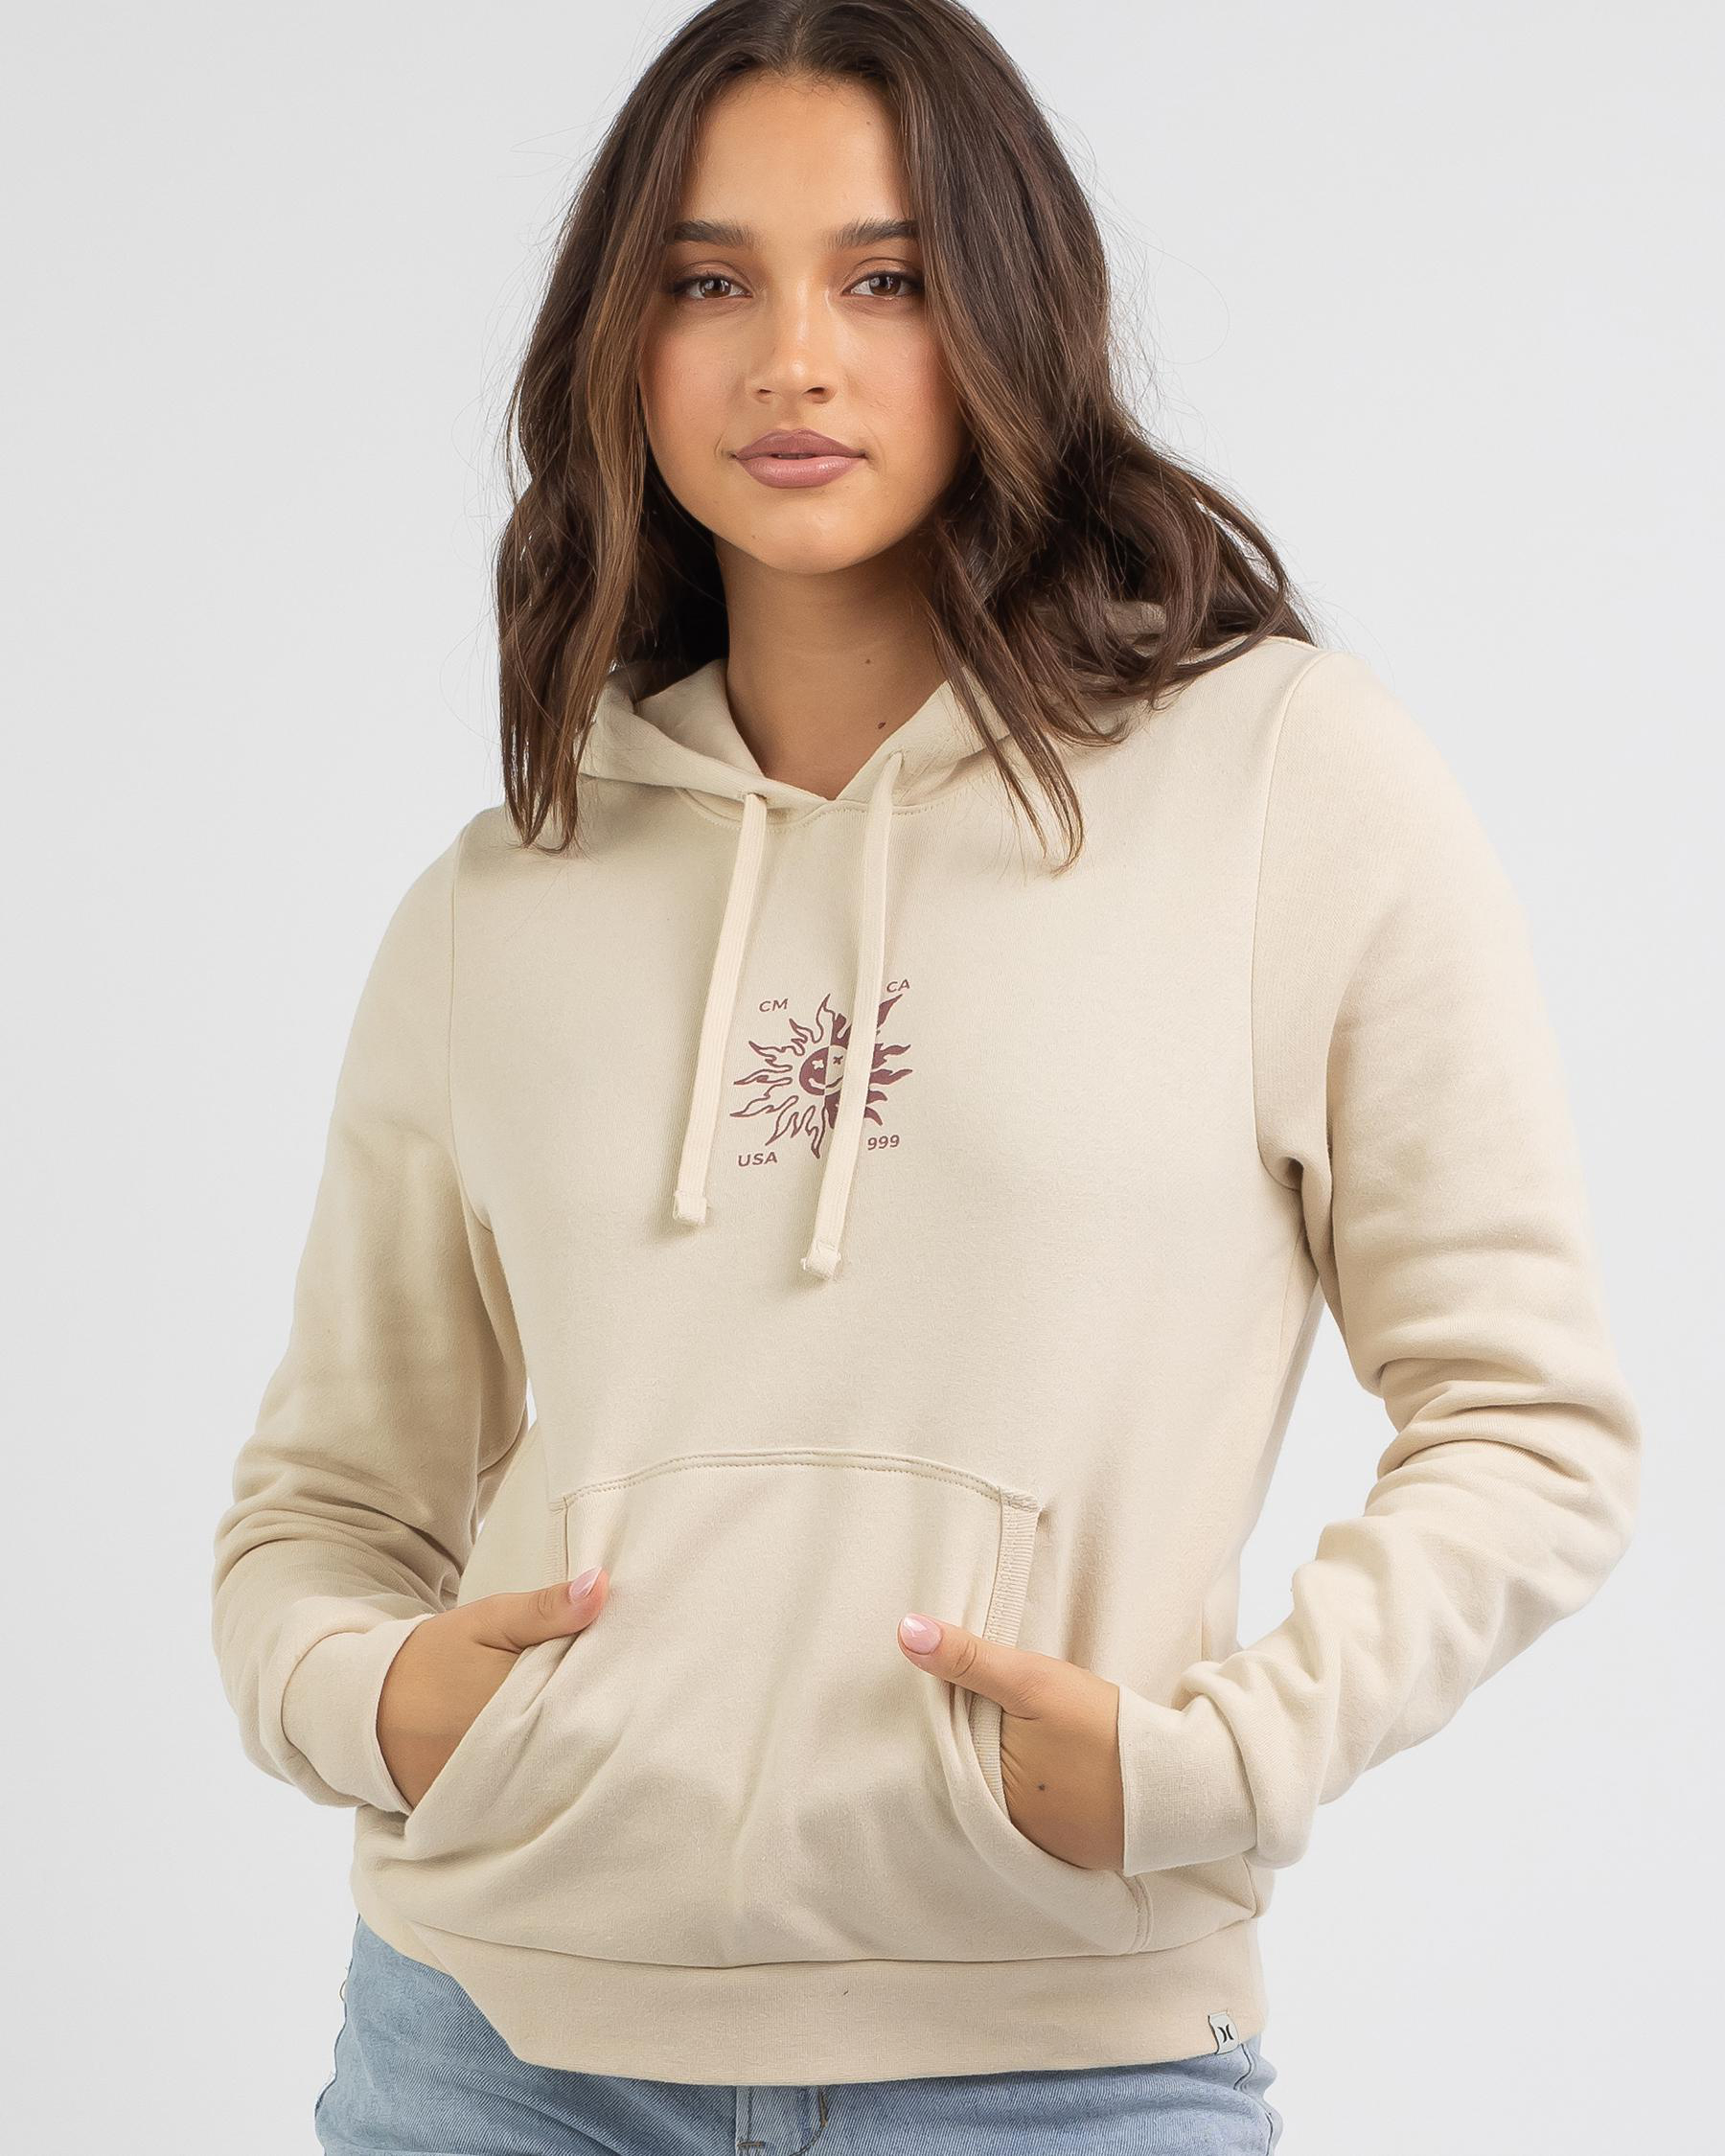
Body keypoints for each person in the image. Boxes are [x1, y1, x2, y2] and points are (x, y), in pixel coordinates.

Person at [209, 2, 1641, 2148]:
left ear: (1009, 314)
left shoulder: (1283, 787)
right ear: (622, 344)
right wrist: (386, 1705)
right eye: (711, 282)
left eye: (883, 279)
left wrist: (1218, 1762)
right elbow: (321, 1510)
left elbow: (1529, 1419)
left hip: (1062, 2064)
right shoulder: (500, 898)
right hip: (499, 2054)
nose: (795, 360)